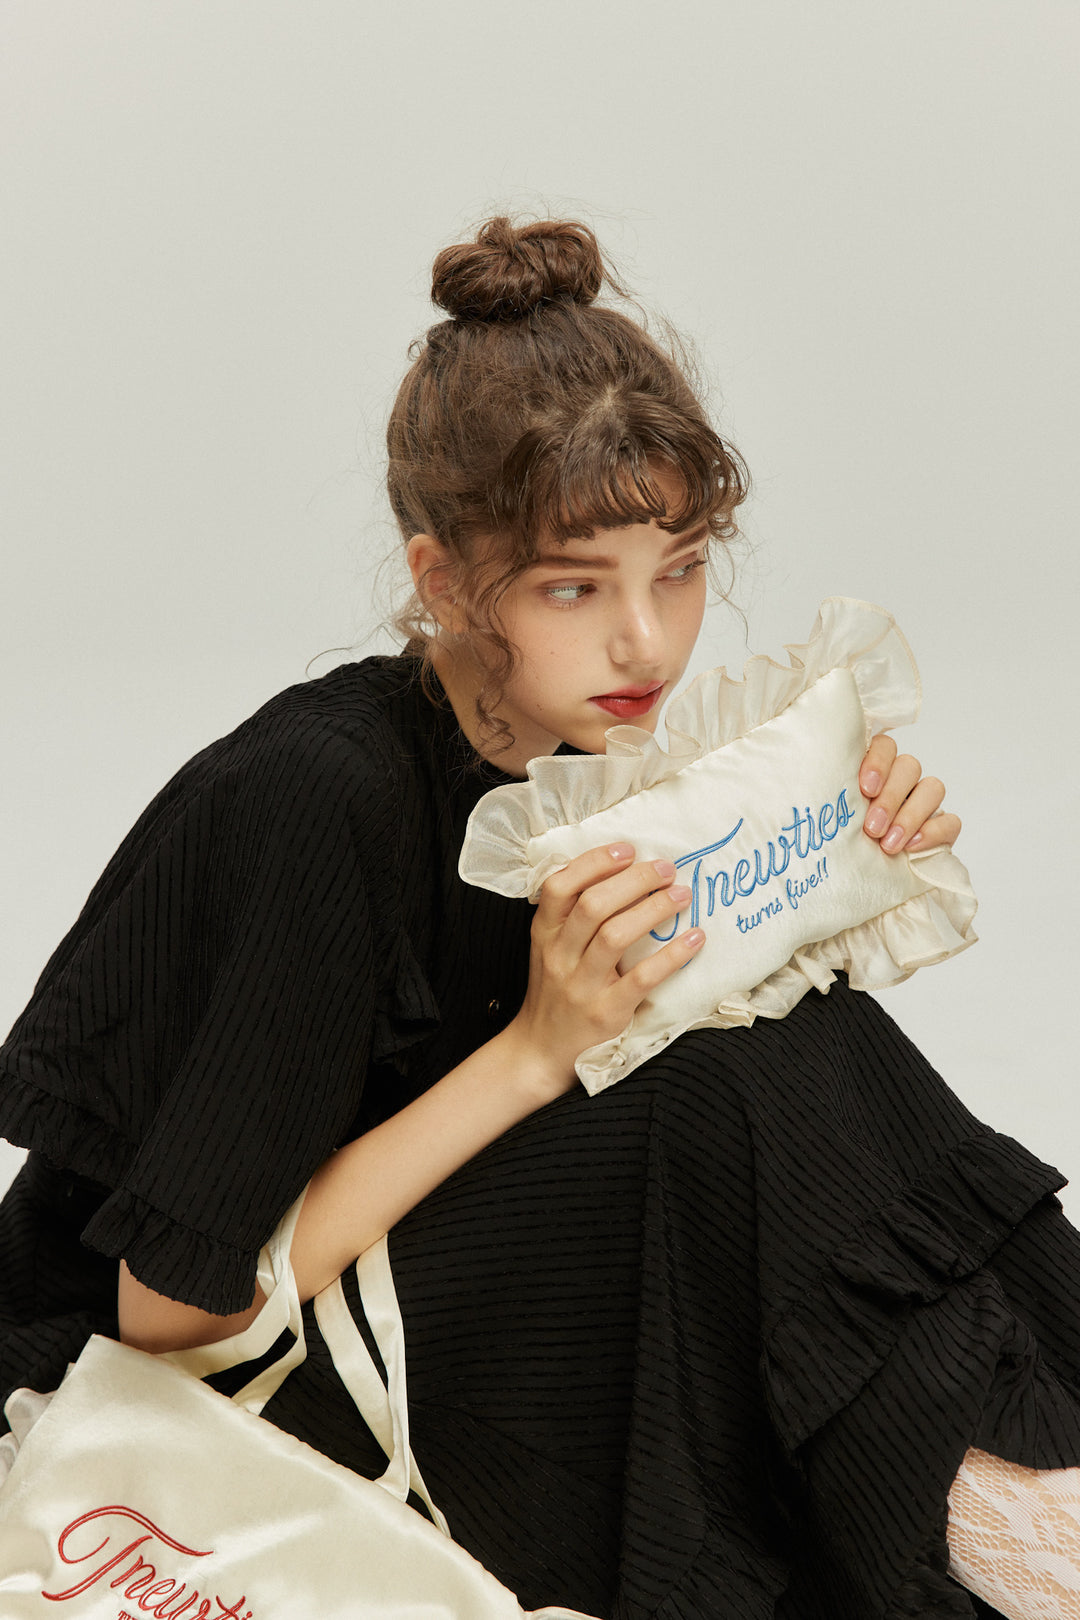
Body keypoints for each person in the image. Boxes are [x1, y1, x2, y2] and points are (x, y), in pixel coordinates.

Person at [2, 216, 1079, 1619]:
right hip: (179, 1408)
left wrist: (845, 862)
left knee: (792, 1038)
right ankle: (1034, 1548)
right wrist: (537, 1051)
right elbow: (168, 1315)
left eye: (680, 568)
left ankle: (1040, 1514)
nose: (648, 641)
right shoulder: (319, 795)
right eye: (576, 586)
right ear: (444, 581)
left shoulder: (577, 753)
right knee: (724, 1087)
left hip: (438, 1306)